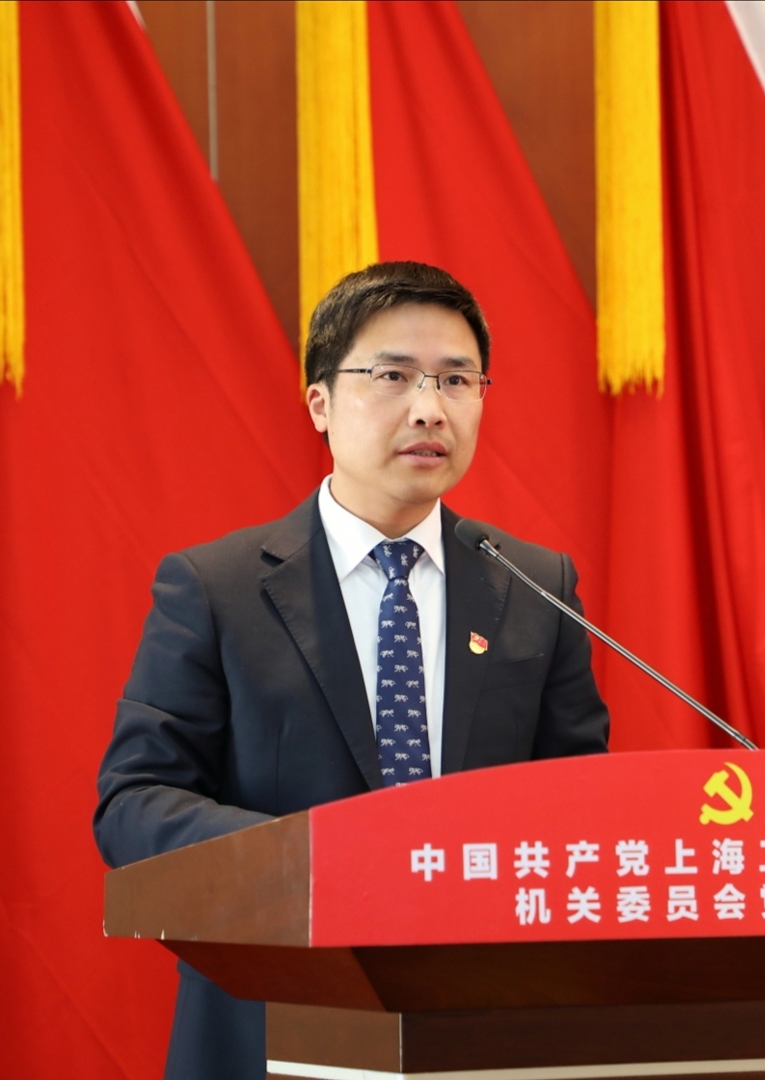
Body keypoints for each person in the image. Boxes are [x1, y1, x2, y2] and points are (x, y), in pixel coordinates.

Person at [93, 261, 611, 1079]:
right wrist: (315, 858)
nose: (429, 408)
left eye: (456, 380)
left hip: (485, 1025)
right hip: (273, 1019)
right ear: (320, 403)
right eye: (392, 376)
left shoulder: (533, 585)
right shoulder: (217, 588)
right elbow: (133, 803)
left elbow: (576, 801)